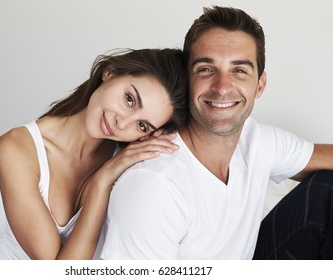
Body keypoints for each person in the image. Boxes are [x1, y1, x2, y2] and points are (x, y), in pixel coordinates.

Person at [100, 6, 333, 259]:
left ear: (260, 85)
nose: (222, 87)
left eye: (239, 70)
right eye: (206, 69)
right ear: (187, 79)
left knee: (327, 188)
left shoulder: (256, 140)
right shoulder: (154, 186)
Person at [0, 48, 188, 260]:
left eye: (142, 125)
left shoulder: (129, 161)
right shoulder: (16, 148)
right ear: (110, 72)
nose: (121, 123)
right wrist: (101, 182)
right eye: (129, 100)